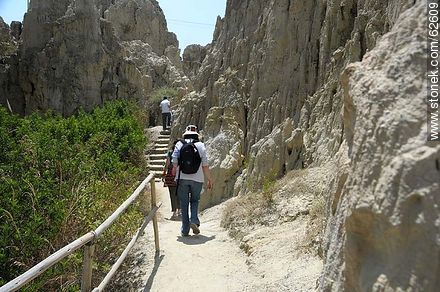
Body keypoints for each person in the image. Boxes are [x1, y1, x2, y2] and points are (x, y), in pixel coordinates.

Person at [172, 125, 213, 236]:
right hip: (197, 179)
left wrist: (174, 170)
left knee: (184, 203)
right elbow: (205, 165)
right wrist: (209, 179)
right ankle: (194, 220)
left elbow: (174, 160)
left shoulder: (179, 144)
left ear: (185, 134)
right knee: (195, 200)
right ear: (196, 135)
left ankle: (185, 230)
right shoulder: (201, 145)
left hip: (182, 178)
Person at [162, 139, 180, 220]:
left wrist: (164, 174)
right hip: (179, 175)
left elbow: (167, 164)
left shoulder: (170, 153)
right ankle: (179, 210)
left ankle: (174, 212)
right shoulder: (181, 153)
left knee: (172, 194)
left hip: (170, 175)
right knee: (179, 193)